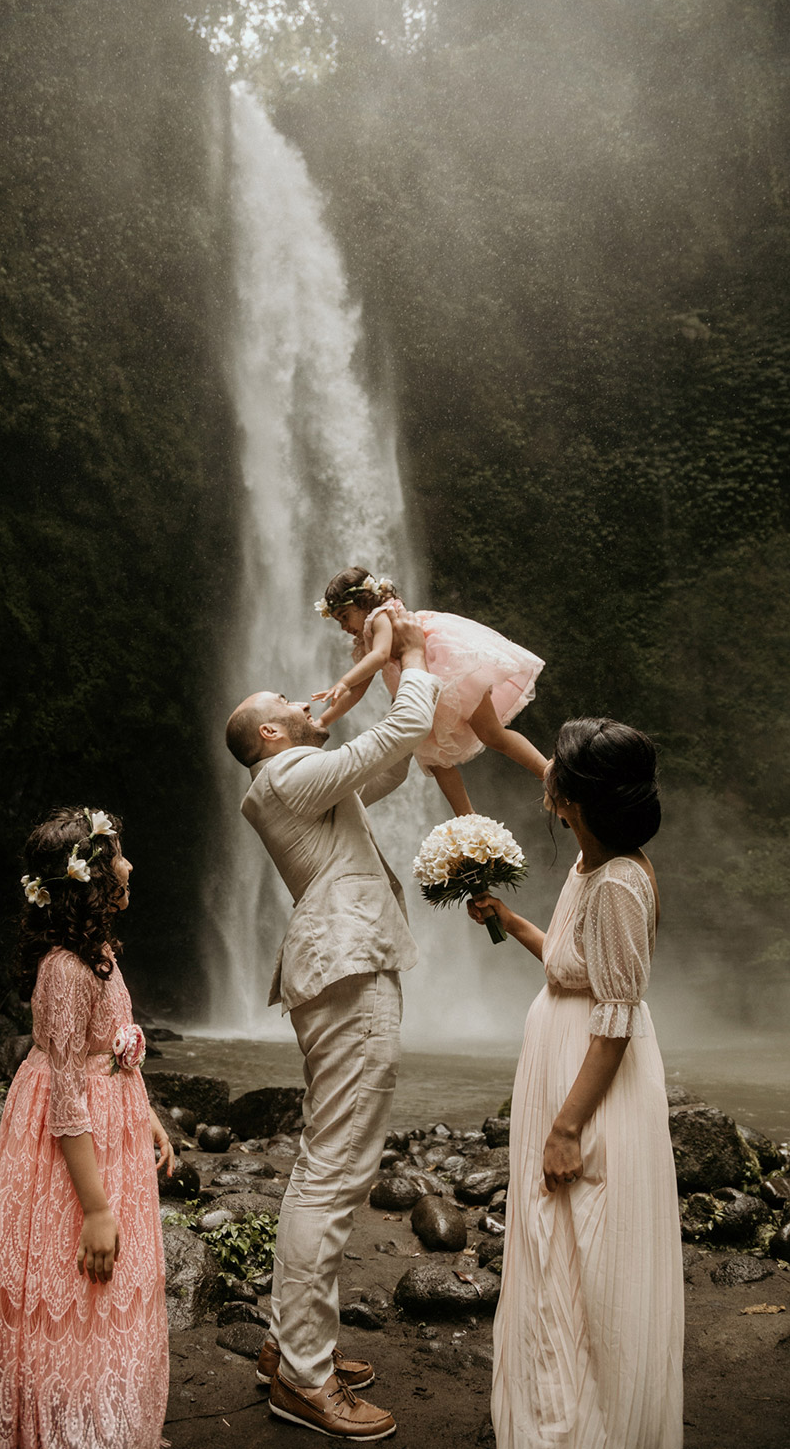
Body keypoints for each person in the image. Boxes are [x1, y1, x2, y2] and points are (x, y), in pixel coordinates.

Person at [225, 607, 441, 1442]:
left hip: (345, 964)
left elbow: (392, 765)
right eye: (289, 700)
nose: (305, 698)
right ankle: (306, 1381)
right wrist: (411, 656)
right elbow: (395, 736)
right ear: (273, 732)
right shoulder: (283, 778)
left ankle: (292, 1349)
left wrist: (376, 672)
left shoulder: (305, 777)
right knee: (336, 1169)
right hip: (346, 965)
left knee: (330, 1160)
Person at [469, 718, 683, 1449]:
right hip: (565, 1066)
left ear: (575, 802)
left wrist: (567, 1127)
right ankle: (554, 1405)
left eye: (556, 774)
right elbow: (573, 963)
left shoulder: (620, 881)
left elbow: (615, 1020)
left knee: (585, 1247)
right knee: (553, 1239)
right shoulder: (593, 853)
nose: (547, 780)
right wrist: (512, 920)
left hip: (592, 1086)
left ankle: (585, 1426)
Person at [0, 806, 173, 1449]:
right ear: (91, 878)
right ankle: (60, 1427)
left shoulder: (98, 953)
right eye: (118, 856)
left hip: (113, 1123)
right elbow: (69, 1097)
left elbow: (112, 1047)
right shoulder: (66, 971)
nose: (130, 865)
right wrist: (96, 1208)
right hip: (75, 1140)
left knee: (99, 1289)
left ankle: (98, 1417)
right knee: (73, 1272)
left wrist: (148, 1114)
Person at [313, 566, 547, 817]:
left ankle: (549, 772)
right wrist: (323, 720)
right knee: (436, 760)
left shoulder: (379, 617)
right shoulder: (366, 635)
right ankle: (468, 819)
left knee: (491, 733)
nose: (343, 627)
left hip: (448, 673)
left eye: (344, 616)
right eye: (338, 621)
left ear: (362, 602)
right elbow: (358, 692)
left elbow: (381, 656)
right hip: (423, 694)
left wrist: (344, 681)